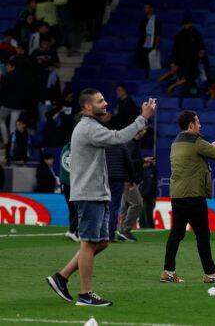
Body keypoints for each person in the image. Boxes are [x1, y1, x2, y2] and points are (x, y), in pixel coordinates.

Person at [45, 89, 156, 307]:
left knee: (102, 242)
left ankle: (62, 277)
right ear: (87, 107)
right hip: (89, 194)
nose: (105, 103)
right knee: (88, 244)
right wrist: (143, 118)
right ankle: (85, 295)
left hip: (96, 193)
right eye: (100, 101)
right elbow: (118, 138)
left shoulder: (92, 127)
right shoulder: (88, 128)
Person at [161, 110, 215, 284]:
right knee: (202, 235)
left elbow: (196, 154)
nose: (200, 125)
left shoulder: (176, 142)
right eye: (198, 122)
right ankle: (210, 274)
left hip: (177, 194)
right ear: (191, 125)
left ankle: (168, 272)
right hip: (193, 195)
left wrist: (211, 147)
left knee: (176, 234)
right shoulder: (197, 142)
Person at [116, 128, 154, 241]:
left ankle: (121, 231)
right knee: (137, 204)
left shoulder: (134, 143)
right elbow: (127, 163)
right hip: (128, 181)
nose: (145, 131)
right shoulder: (130, 144)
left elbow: (132, 164)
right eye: (143, 129)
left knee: (125, 207)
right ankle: (125, 230)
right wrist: (142, 161)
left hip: (129, 180)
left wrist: (143, 163)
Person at [171, 16, 204, 86]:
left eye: (188, 24)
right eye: (185, 24)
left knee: (190, 77)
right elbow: (175, 49)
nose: (187, 25)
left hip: (193, 61)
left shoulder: (196, 34)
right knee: (177, 73)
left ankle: (172, 87)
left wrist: (201, 52)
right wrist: (174, 62)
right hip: (181, 61)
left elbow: (201, 47)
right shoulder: (179, 35)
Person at [59, 138, 79, 242]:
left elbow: (63, 167)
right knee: (79, 209)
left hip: (65, 184)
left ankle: (74, 232)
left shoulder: (65, 148)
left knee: (72, 209)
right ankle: (72, 231)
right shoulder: (77, 149)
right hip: (74, 184)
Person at [136, 2, 161, 70]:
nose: (145, 9)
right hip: (143, 44)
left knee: (150, 64)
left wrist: (156, 45)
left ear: (151, 8)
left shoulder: (156, 20)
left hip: (151, 44)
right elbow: (141, 32)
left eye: (147, 7)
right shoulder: (143, 20)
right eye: (144, 8)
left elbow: (158, 34)